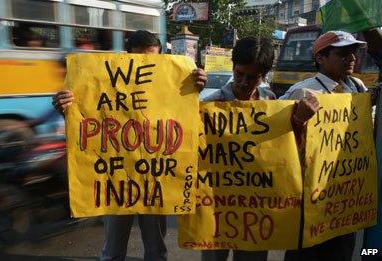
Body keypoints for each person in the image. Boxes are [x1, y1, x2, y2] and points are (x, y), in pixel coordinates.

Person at [52, 30, 207, 261]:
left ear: (162, 58)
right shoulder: (107, 81)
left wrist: (195, 89)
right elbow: (87, 116)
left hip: (155, 178)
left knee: (156, 250)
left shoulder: (174, 83)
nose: (146, 63)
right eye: (140, 58)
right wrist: (64, 106)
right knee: (113, 251)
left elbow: (188, 118)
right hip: (117, 179)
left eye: (151, 59)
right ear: (127, 56)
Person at [201, 36, 319, 261]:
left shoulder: (272, 102)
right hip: (218, 203)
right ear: (233, 68)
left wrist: (299, 122)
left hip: (257, 205)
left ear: (263, 76)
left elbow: (286, 151)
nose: (244, 82)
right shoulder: (211, 105)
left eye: (252, 77)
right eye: (239, 74)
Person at [281, 30, 370, 261]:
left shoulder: (358, 88)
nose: (351, 58)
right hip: (311, 195)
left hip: (344, 195)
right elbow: (278, 141)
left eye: (352, 52)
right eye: (342, 53)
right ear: (321, 58)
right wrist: (299, 120)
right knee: (305, 252)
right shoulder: (303, 91)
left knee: (342, 250)